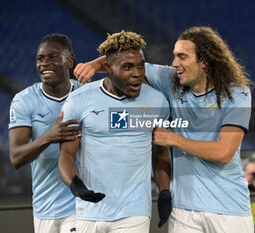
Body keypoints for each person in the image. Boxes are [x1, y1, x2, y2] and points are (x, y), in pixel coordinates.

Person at [74, 26, 254, 233]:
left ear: (204, 61)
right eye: (174, 56)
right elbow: (124, 62)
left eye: (182, 57)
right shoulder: (171, 81)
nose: (174, 63)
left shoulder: (236, 94)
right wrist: (93, 65)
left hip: (229, 209)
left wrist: (174, 139)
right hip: (183, 211)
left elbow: (223, 152)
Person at [58, 31, 172, 233]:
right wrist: (74, 184)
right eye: (127, 67)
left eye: (140, 65)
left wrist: (165, 191)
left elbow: (161, 152)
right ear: (108, 68)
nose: (137, 73)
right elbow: (66, 154)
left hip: (134, 213)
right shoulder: (79, 100)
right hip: (89, 210)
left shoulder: (157, 101)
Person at [8, 33, 82, 233]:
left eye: (53, 57)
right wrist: (49, 137)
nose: (45, 63)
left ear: (70, 61)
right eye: (40, 58)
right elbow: (16, 157)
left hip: (80, 206)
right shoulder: (24, 100)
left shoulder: (86, 94)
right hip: (44, 206)